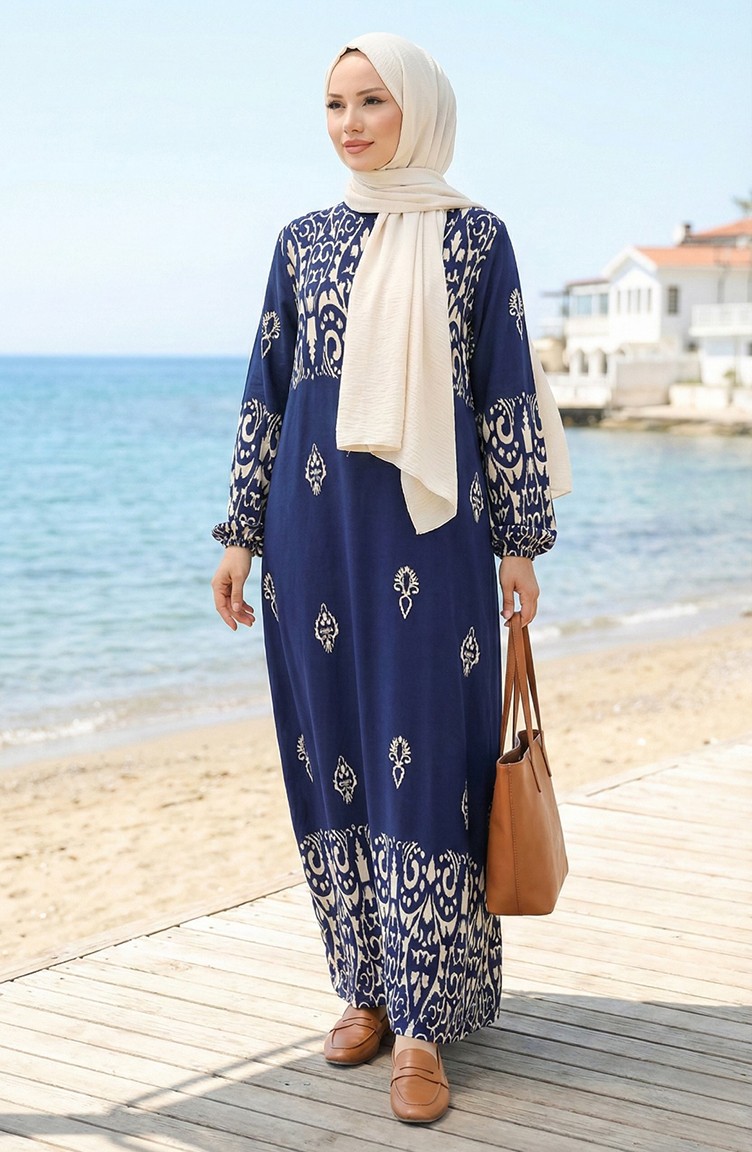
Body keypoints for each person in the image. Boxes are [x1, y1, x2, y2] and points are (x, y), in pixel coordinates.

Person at [212, 32, 562, 1125]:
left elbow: (505, 391)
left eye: (372, 101)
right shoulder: (302, 241)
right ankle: (361, 985)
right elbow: (267, 387)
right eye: (334, 104)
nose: (351, 124)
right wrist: (239, 532)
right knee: (330, 757)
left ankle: (423, 1021)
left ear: (419, 108)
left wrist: (519, 542)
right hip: (309, 538)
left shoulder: (475, 239)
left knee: (428, 758)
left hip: (432, 537)